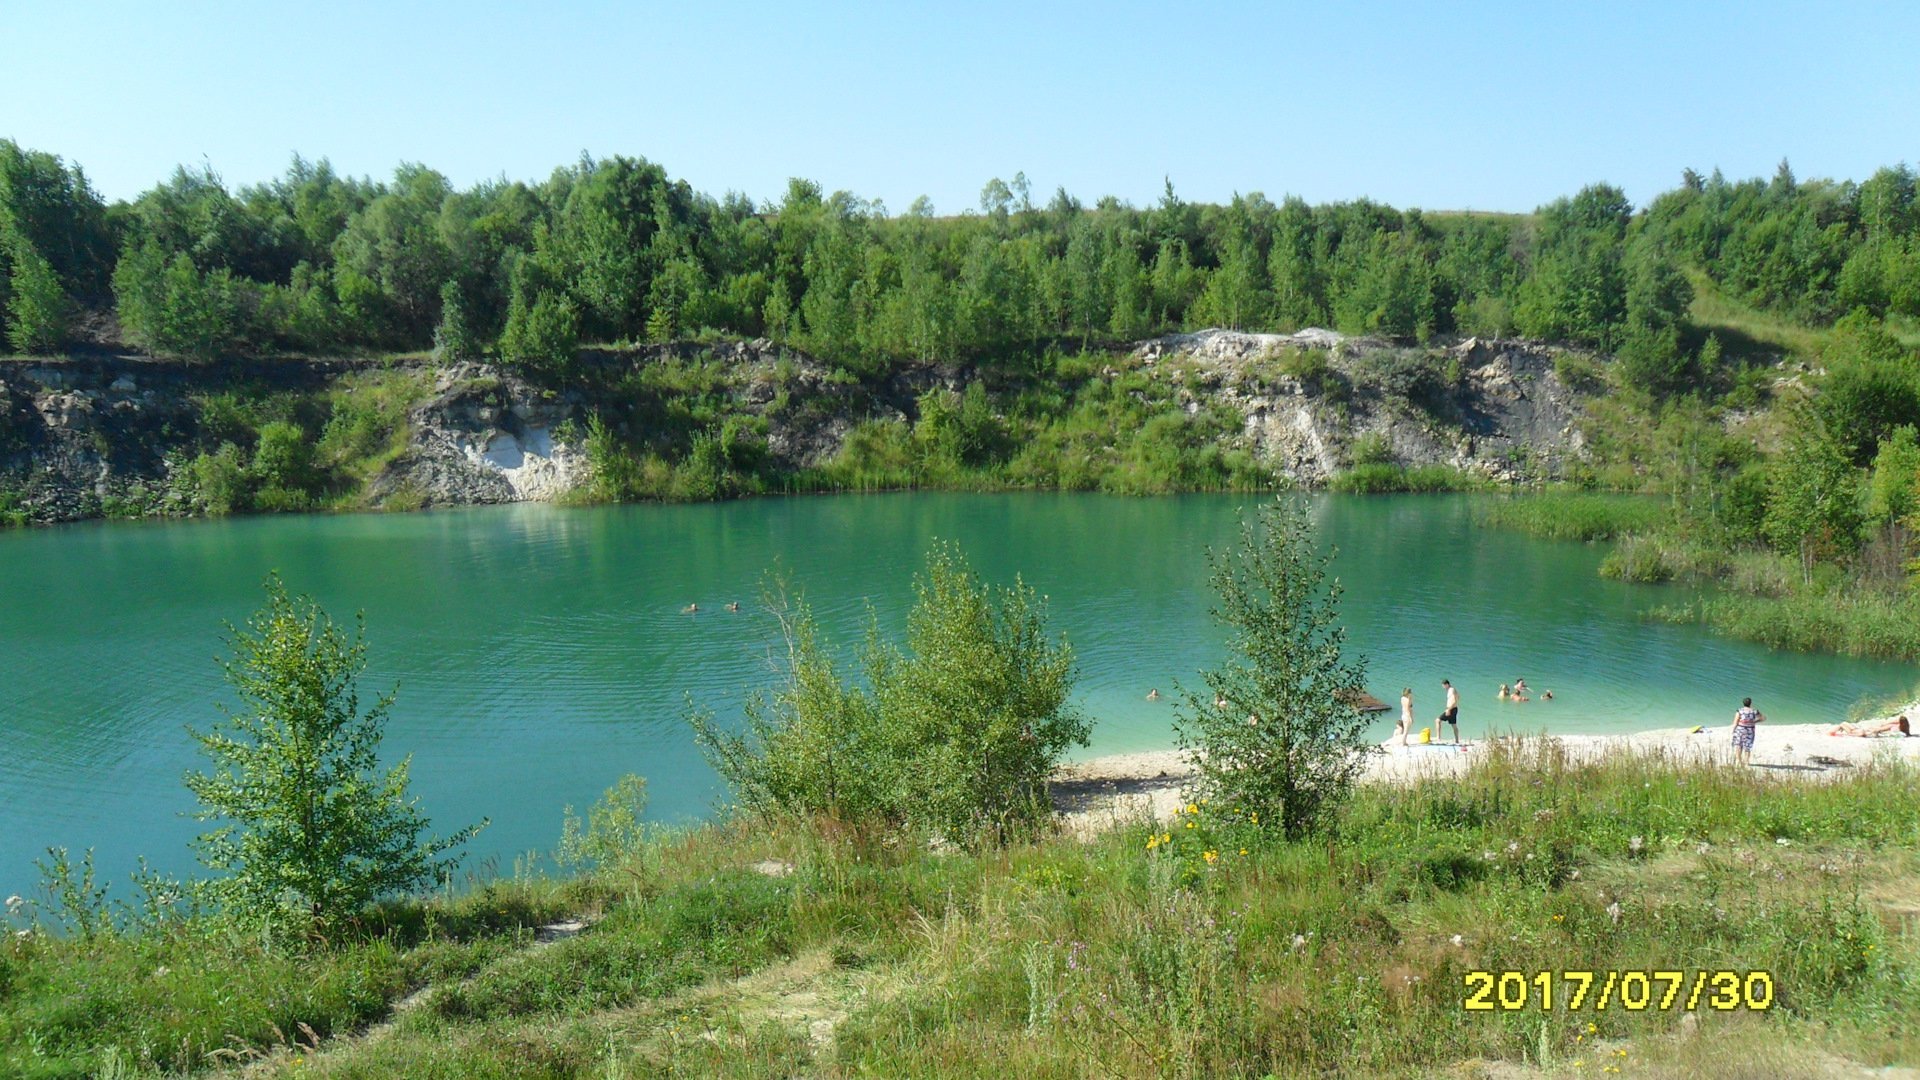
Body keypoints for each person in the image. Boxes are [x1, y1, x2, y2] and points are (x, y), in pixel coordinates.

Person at [1731, 696, 1764, 765]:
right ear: (1750, 703)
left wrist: (1733, 730)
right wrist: (1754, 721)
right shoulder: (1754, 711)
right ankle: (1746, 762)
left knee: (1739, 745)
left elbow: (1735, 722)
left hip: (1740, 730)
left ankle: (1739, 761)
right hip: (1750, 730)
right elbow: (1763, 718)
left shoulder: (1740, 711)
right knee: (1748, 745)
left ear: (1743, 703)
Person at [1829, 716, 1911, 738]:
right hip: (1866, 733)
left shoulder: (1893, 727)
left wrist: (1869, 731)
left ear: (1899, 723)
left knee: (1843, 724)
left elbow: (1878, 729)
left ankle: (1832, 733)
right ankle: (1836, 731)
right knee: (1845, 725)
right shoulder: (1904, 730)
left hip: (1865, 733)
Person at [1437, 679, 1461, 744]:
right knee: (1453, 725)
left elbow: (1454, 701)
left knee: (1438, 720)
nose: (1443, 688)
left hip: (1451, 709)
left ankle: (1438, 738)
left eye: (1443, 686)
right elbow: (1458, 697)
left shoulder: (1451, 690)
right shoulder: (1453, 689)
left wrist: (1449, 709)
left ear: (1446, 684)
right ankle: (1457, 740)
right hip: (1454, 708)